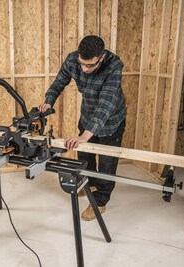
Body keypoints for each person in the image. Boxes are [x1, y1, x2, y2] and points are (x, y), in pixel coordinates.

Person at [39, 35, 126, 221]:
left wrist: (86, 135)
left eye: (90, 65)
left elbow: (106, 103)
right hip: (87, 116)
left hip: (111, 121)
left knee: (106, 164)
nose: (84, 69)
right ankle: (90, 186)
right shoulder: (73, 59)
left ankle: (99, 203)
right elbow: (59, 81)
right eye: (82, 64)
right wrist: (48, 101)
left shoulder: (114, 66)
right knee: (85, 156)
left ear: (101, 57)